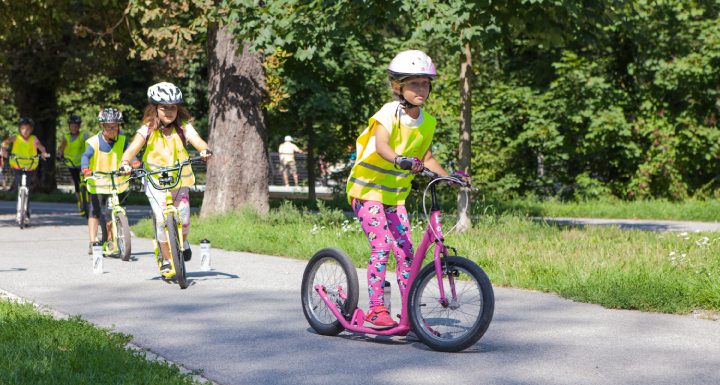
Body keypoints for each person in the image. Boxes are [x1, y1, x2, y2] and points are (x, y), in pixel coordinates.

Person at [346, 50, 469, 329]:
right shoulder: (389, 112)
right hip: (367, 191)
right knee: (381, 246)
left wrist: (450, 177)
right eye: (413, 83)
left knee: (406, 253)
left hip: (394, 196)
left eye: (425, 83)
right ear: (397, 87)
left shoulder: (428, 121)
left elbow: (426, 158)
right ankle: (376, 309)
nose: (420, 89)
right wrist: (399, 159)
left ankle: (409, 312)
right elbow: (381, 146)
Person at [120, 82, 212, 271]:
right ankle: (168, 260)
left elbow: (198, 142)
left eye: (173, 107)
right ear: (155, 109)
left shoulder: (183, 127)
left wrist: (204, 150)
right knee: (162, 220)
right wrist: (125, 163)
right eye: (164, 108)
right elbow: (131, 150)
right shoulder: (147, 129)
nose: (169, 112)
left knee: (184, 219)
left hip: (179, 179)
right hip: (155, 181)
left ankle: (184, 243)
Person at [81, 109, 139, 254]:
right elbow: (85, 156)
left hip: (115, 183)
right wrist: (86, 168)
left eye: (115, 126)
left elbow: (132, 156)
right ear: (102, 126)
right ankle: (93, 241)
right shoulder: (94, 141)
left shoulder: (123, 140)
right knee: (94, 212)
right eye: (108, 126)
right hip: (97, 182)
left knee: (110, 214)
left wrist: (135, 165)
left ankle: (111, 241)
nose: (112, 130)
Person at [1, 118, 50, 224]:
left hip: (29, 165)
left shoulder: (33, 138)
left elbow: (40, 146)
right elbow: (5, 142)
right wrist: (3, 150)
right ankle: (19, 212)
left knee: (26, 188)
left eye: (27, 129)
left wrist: (44, 152)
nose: (25, 131)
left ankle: (26, 212)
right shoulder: (16, 137)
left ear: (31, 130)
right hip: (17, 165)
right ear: (19, 129)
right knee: (20, 188)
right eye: (23, 128)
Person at [58, 114, 89, 216]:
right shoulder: (66, 137)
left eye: (76, 126)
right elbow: (62, 147)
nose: (74, 128)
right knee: (77, 185)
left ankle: (89, 202)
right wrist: (60, 155)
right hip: (71, 164)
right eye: (72, 126)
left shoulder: (83, 136)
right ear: (69, 127)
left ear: (79, 127)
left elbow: (89, 146)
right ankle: (81, 204)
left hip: (83, 164)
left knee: (87, 183)